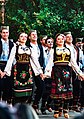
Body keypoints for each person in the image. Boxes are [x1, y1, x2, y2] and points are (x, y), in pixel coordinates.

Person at [50, 33, 84, 118]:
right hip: (57, 71)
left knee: (67, 90)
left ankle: (65, 110)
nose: (60, 40)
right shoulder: (53, 50)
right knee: (58, 90)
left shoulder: (68, 50)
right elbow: (50, 62)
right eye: (58, 39)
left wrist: (80, 73)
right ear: (56, 41)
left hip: (67, 71)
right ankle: (57, 110)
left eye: (62, 39)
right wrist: (46, 73)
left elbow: (73, 63)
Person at [0, 32, 33, 105]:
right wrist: (6, 71)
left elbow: (35, 61)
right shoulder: (15, 47)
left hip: (27, 70)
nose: (23, 38)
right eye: (22, 36)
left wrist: (40, 72)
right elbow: (10, 59)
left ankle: (24, 108)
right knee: (17, 90)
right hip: (18, 69)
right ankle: (16, 107)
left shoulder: (29, 48)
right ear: (18, 38)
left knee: (27, 89)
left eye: (25, 36)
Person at [28, 30, 46, 114]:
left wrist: (43, 70)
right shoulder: (28, 46)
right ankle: (27, 106)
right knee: (30, 88)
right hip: (31, 69)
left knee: (41, 87)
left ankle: (35, 104)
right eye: (32, 35)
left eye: (35, 34)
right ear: (29, 37)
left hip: (39, 70)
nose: (34, 36)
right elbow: (33, 59)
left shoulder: (40, 46)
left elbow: (42, 59)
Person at [64, 32, 83, 112]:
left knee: (77, 86)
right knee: (67, 87)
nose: (69, 38)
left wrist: (79, 71)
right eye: (67, 37)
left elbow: (80, 58)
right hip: (67, 68)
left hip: (76, 68)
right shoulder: (64, 47)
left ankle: (75, 104)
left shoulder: (76, 48)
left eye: (70, 36)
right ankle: (67, 105)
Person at [0, 26, 14, 104]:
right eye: (3, 33)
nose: (5, 34)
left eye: (6, 32)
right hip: (0, 64)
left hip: (8, 65)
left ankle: (6, 103)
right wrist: (0, 71)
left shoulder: (12, 43)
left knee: (8, 86)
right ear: (1, 34)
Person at [41, 36, 54, 114]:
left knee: (52, 90)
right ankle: (43, 106)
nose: (50, 43)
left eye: (52, 42)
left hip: (52, 72)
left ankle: (48, 104)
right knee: (45, 90)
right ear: (45, 43)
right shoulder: (43, 51)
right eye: (48, 42)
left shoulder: (54, 51)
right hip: (43, 72)